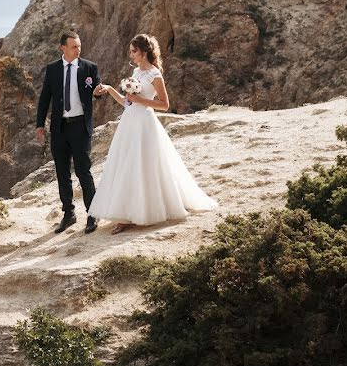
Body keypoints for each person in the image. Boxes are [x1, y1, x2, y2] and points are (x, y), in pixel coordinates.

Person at [89, 34, 218, 234]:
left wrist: (141, 101)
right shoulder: (136, 72)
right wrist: (109, 89)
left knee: (145, 166)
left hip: (145, 123)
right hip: (129, 122)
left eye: (134, 51)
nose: (131, 55)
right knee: (126, 165)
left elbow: (164, 104)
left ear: (144, 52)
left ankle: (143, 211)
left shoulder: (155, 74)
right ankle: (124, 215)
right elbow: (127, 102)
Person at [36, 31, 104, 234]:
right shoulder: (53, 69)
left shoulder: (89, 68)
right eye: (74, 46)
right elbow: (44, 98)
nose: (78, 49)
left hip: (80, 127)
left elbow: (96, 91)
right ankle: (68, 214)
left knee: (84, 171)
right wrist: (40, 124)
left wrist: (98, 93)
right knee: (62, 172)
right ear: (63, 48)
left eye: (79, 46)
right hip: (59, 128)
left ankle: (92, 214)